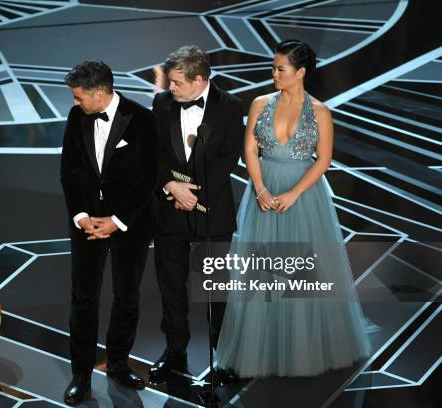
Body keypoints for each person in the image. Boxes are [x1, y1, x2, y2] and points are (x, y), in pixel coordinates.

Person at [216, 40, 371, 377]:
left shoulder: (320, 111)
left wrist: (296, 193)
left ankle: (303, 348)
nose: (273, 74)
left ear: (300, 72)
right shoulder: (259, 104)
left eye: (280, 69)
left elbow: (325, 159)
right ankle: (263, 346)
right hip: (264, 192)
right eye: (273, 68)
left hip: (303, 197)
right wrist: (260, 189)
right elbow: (249, 151)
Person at [60, 60, 159, 405]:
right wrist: (82, 215)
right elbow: (70, 171)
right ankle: (81, 373)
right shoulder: (76, 119)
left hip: (128, 224)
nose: (75, 104)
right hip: (87, 225)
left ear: (99, 93)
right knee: (83, 299)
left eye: (79, 97)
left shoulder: (143, 119)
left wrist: (116, 221)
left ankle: (117, 362)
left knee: (126, 296)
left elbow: (147, 178)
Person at [149, 45, 244, 384]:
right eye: (170, 82)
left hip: (211, 212)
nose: (169, 88)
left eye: (176, 83)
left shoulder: (230, 107)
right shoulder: (161, 103)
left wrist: (192, 193)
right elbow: (153, 152)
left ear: (200, 79)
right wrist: (171, 186)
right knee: (170, 285)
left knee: (216, 288)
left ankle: (226, 356)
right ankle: (175, 352)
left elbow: (226, 159)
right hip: (169, 211)